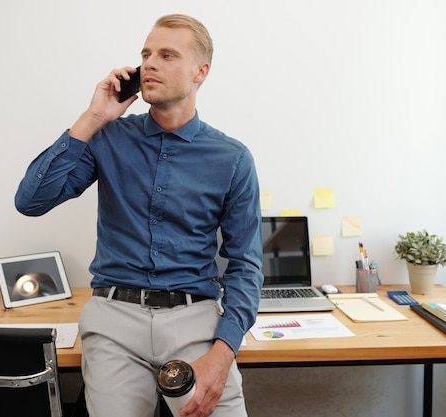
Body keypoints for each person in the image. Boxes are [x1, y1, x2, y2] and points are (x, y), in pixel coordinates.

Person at [14, 14, 263, 417]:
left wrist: (222, 356)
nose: (150, 63)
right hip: (114, 319)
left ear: (201, 71)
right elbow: (31, 201)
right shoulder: (108, 137)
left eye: (167, 55)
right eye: (146, 54)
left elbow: (246, 264)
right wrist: (93, 117)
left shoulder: (232, 158)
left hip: (196, 319)